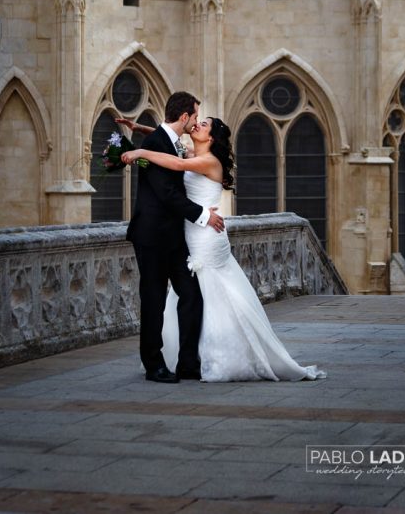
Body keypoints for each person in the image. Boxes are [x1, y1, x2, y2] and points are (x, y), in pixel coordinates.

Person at [121, 116, 325, 382]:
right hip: (192, 233)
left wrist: (140, 151)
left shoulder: (208, 162)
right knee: (195, 294)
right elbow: (171, 144)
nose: (197, 125)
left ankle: (216, 355)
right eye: (197, 120)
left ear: (212, 138)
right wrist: (143, 130)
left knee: (211, 292)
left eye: (203, 124)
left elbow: (177, 162)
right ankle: (191, 357)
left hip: (206, 236)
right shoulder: (195, 152)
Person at [121, 92, 224, 384]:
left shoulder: (167, 142)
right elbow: (166, 194)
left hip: (175, 238)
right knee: (153, 299)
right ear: (184, 117)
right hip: (151, 236)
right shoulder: (156, 144)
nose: (196, 123)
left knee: (191, 295)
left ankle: (188, 363)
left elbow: (173, 152)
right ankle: (153, 364)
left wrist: (141, 130)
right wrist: (204, 216)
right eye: (195, 116)